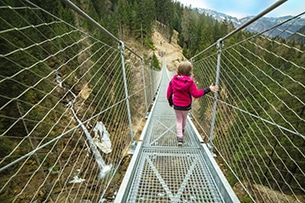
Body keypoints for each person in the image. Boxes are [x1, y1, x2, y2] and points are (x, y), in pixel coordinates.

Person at [166, 61, 219, 144]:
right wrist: (208, 89)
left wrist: (170, 102)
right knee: (184, 119)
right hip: (186, 106)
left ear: (178, 70)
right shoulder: (190, 83)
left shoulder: (173, 81)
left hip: (176, 105)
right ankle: (182, 129)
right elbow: (196, 94)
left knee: (178, 120)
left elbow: (169, 93)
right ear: (189, 72)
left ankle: (180, 137)